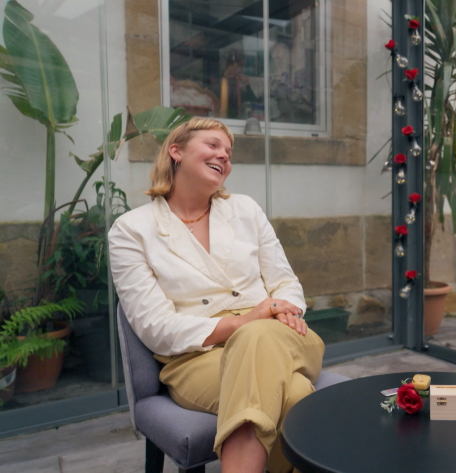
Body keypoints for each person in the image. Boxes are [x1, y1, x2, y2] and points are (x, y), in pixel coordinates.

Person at [109, 118, 324, 473]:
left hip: (283, 335)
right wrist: (243, 322)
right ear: (176, 151)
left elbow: (286, 284)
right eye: (212, 145)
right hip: (194, 357)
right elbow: (154, 327)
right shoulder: (132, 230)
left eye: (228, 152)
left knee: (257, 335)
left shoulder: (246, 210)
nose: (223, 155)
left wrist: (279, 311)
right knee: (296, 395)